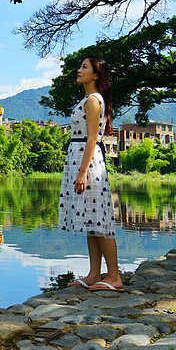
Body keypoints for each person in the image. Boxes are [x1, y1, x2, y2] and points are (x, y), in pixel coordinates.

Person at [59, 56, 123, 291]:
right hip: (79, 157)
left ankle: (114, 276)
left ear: (96, 75)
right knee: (91, 219)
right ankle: (94, 274)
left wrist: (83, 172)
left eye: (84, 67)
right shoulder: (87, 99)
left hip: (89, 162)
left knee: (101, 219)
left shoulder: (94, 100)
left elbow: (93, 138)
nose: (79, 70)